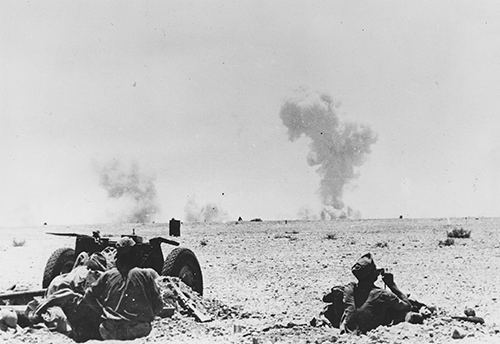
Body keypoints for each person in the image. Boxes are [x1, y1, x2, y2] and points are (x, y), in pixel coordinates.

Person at [81, 237, 164, 340]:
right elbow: (159, 304)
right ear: (135, 254)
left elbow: (88, 296)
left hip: (109, 330)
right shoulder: (146, 274)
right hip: (137, 330)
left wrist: (102, 311)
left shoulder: (107, 275)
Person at [339, 253, 413, 334]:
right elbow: (407, 306)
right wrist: (392, 285)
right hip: (365, 331)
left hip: (348, 329)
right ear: (372, 275)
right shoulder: (382, 294)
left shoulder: (349, 289)